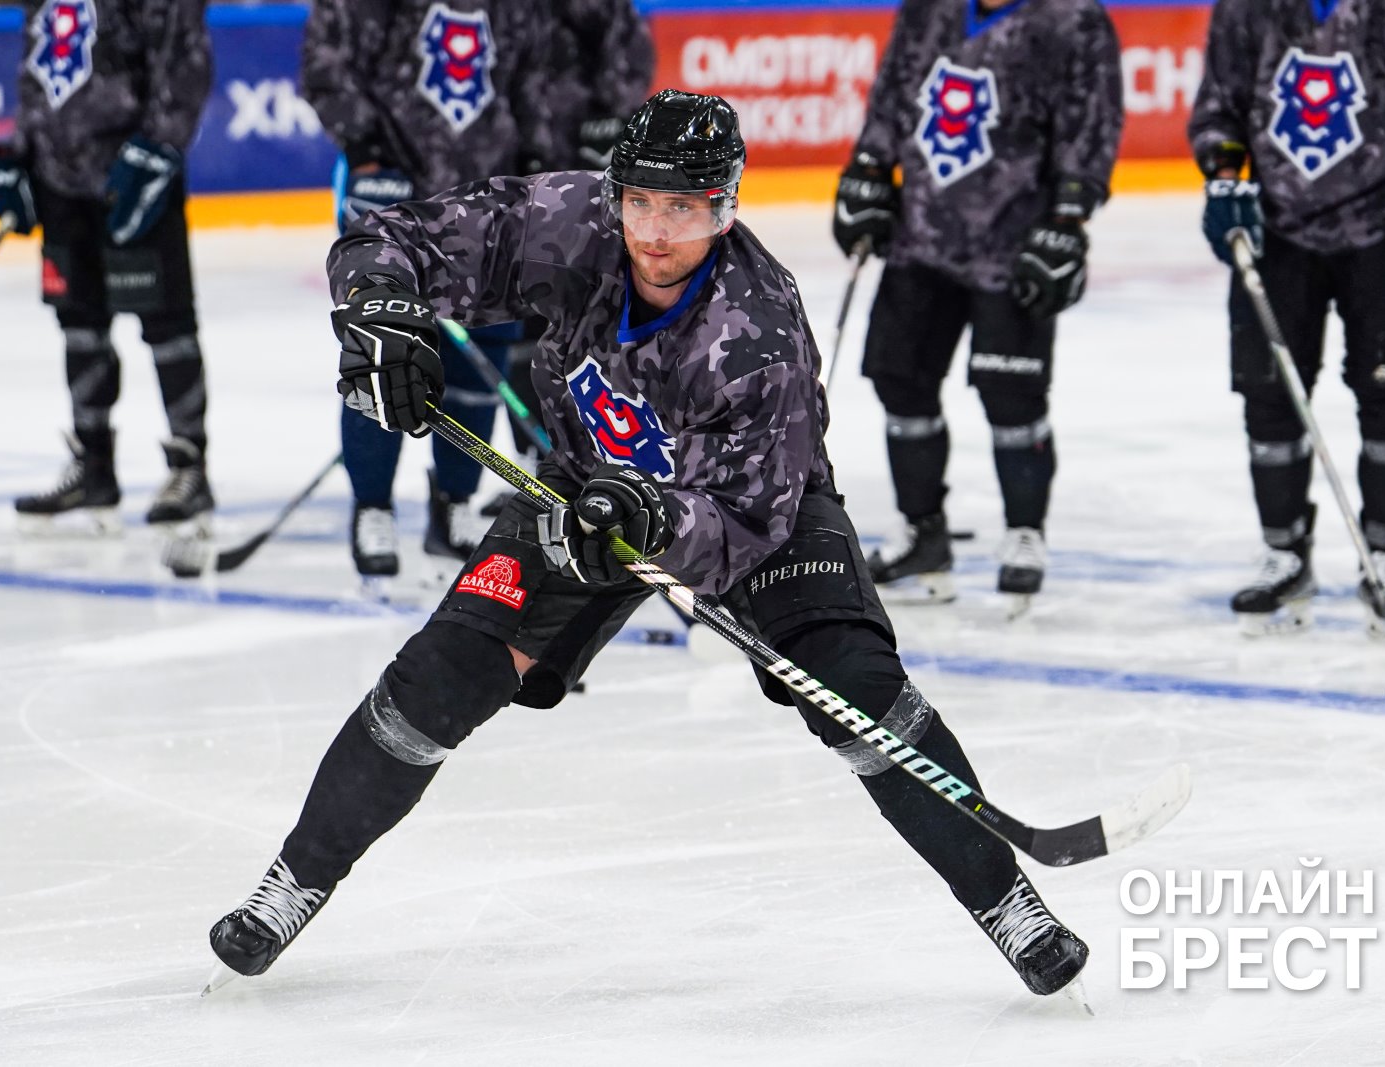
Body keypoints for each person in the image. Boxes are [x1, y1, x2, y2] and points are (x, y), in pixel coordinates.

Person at [205, 90, 1088, 1002]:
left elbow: (750, 514)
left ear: (725, 208)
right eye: (639, 202)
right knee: (438, 677)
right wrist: (382, 311)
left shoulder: (760, 327)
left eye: (682, 208)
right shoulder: (572, 222)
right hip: (581, 490)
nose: (655, 232)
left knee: (856, 689)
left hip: (751, 510)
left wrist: (657, 524)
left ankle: (1011, 904)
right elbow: (390, 238)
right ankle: (292, 883)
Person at [833, 0, 1122, 610]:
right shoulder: (928, 9)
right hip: (921, 235)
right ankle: (923, 533)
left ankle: (1024, 534)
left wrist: (1069, 217)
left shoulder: (1071, 19)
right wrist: (869, 167)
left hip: (1015, 243)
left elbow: (1091, 122)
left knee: (1010, 392)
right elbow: (894, 92)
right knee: (899, 378)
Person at [1189, 0, 1385, 634]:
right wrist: (1224, 177)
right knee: (1270, 394)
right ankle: (1284, 553)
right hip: (1277, 231)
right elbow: (1221, 103)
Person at [300, 0, 557, 589]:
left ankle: (454, 503)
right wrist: (367, 149)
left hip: (490, 200)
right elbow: (326, 61)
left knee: (484, 353)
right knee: (382, 348)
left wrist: (538, 155)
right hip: (395, 201)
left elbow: (532, 71)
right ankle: (372, 507)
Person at [0, 0, 217, 535]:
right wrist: (20, 150)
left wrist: (160, 146)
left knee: (167, 322)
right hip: (57, 177)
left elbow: (183, 59)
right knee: (78, 321)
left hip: (132, 171)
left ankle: (189, 467)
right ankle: (92, 466)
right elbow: (42, 63)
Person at [482, 0, 656, 518]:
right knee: (524, 324)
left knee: (588, 322)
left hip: (583, 177)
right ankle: (542, 460)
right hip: (516, 175)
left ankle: (609, 463)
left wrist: (615, 116)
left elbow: (626, 45)